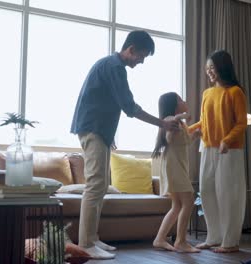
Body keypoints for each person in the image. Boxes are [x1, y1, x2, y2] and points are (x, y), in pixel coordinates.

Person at [70, 30, 180, 260]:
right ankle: (86, 243)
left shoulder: (110, 65)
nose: (141, 62)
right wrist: (162, 123)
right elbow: (129, 107)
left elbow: (105, 102)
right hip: (93, 129)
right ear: (131, 50)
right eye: (142, 56)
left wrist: (108, 137)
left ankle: (92, 237)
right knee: (95, 184)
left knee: (100, 186)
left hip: (97, 131)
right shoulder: (114, 67)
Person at [188, 50, 248, 253]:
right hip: (208, 147)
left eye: (212, 68)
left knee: (228, 194)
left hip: (229, 150)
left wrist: (227, 140)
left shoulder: (235, 92)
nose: (209, 72)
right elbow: (204, 121)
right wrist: (191, 130)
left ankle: (230, 242)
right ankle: (214, 237)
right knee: (206, 192)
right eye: (207, 69)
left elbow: (241, 123)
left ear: (223, 67)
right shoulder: (207, 93)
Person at [151, 92, 202, 253]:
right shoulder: (169, 120)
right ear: (173, 105)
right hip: (174, 169)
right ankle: (180, 241)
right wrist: (180, 117)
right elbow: (170, 139)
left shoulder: (179, 123)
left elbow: (183, 142)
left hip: (176, 167)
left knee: (177, 206)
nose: (184, 100)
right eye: (180, 99)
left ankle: (159, 239)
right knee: (188, 201)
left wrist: (196, 134)